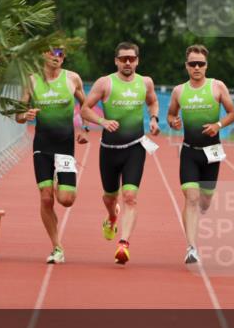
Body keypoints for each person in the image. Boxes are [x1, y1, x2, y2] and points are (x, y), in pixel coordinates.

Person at [81, 42, 160, 265]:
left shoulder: (145, 82)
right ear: (116, 60)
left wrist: (153, 119)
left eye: (131, 59)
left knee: (130, 197)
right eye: (123, 58)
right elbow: (85, 108)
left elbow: (153, 102)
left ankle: (123, 244)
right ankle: (112, 216)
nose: (127, 62)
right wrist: (102, 121)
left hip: (135, 147)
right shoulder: (105, 83)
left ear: (137, 61)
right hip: (109, 150)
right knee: (110, 197)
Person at [15, 46, 88, 264]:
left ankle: (60, 182)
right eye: (52, 53)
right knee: (46, 198)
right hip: (42, 145)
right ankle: (57, 247)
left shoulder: (72, 79)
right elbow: (18, 115)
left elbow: (86, 105)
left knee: (66, 200)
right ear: (43, 55)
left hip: (65, 146)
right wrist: (24, 115)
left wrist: (84, 128)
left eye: (61, 54)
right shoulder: (32, 80)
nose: (57, 57)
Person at [166, 45, 234, 265]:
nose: (196, 67)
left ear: (206, 65)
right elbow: (170, 114)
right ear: (186, 66)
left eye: (200, 64)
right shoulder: (179, 90)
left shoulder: (217, 87)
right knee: (191, 197)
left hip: (212, 152)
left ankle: (201, 211)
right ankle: (191, 247)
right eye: (192, 64)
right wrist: (173, 122)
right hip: (189, 151)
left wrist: (218, 125)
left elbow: (233, 114)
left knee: (204, 201)